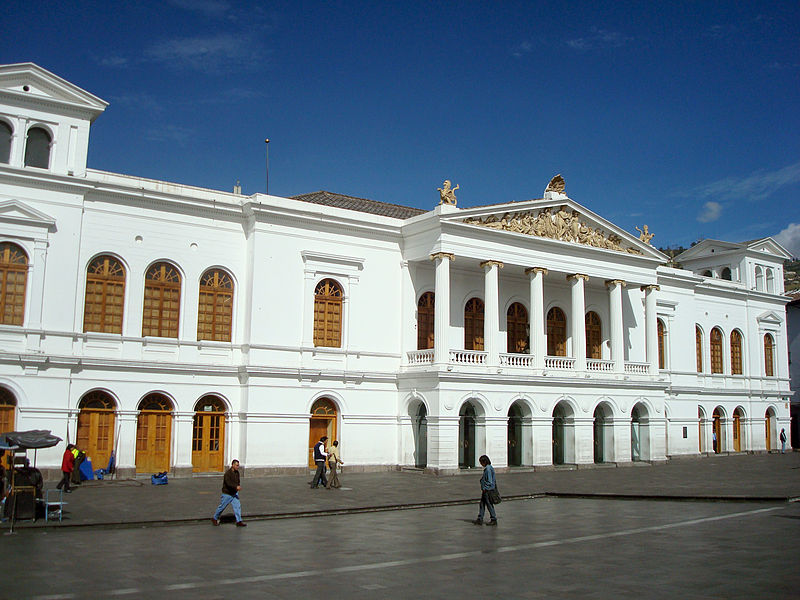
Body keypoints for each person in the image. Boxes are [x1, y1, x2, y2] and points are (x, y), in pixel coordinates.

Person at [211, 459, 246, 527]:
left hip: (234, 493)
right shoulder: (228, 473)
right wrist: (236, 487)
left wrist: (238, 486)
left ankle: (239, 521)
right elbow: (228, 483)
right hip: (227, 493)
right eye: (236, 465)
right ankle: (214, 518)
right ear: (232, 465)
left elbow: (238, 481)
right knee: (222, 506)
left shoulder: (237, 473)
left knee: (237, 506)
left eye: (238, 465)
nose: (237, 467)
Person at [473, 455, 497, 526]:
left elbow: (489, 481)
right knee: (482, 504)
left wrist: (485, 488)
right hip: (486, 490)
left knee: (489, 504)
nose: (481, 464)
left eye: (481, 462)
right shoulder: (489, 468)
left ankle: (493, 519)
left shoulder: (488, 469)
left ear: (484, 462)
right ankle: (480, 518)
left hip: (487, 490)